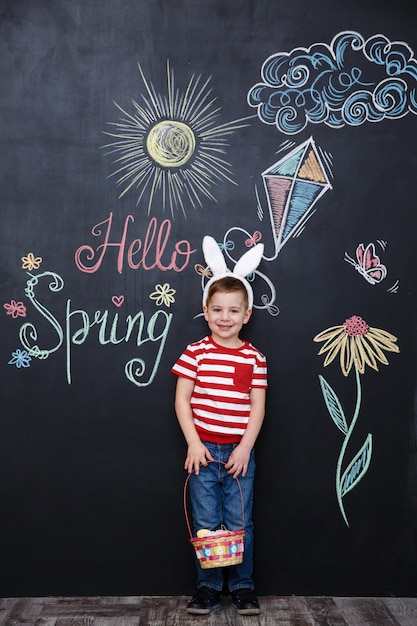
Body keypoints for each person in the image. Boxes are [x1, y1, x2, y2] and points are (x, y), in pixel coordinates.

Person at [171, 236, 267, 616]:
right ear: (206, 312)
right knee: (208, 523)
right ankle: (209, 586)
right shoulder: (195, 353)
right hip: (204, 451)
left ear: (246, 315)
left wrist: (244, 447)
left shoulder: (255, 358)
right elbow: (182, 400)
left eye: (233, 310)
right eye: (217, 310)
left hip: (239, 453)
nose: (224, 317)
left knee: (240, 522)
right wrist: (194, 443)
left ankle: (243, 586)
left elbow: (257, 407)